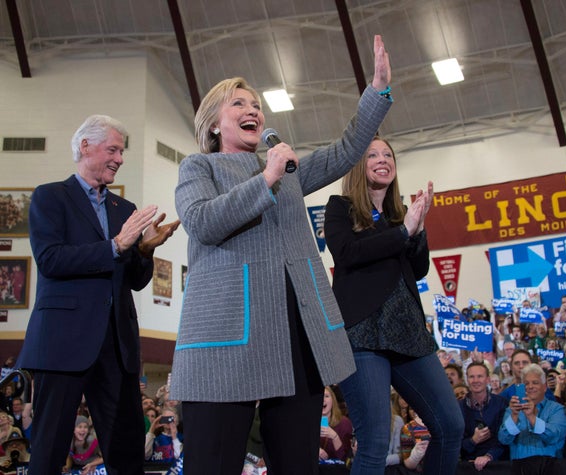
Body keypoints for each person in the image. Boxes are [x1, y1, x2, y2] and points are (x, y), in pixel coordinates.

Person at [170, 35, 392, 475]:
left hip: (295, 331)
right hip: (227, 335)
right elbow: (202, 222)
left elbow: (346, 151)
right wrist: (267, 177)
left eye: (255, 104)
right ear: (213, 124)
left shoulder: (287, 172)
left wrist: (377, 92)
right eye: (238, 104)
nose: (252, 110)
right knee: (212, 462)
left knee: (295, 462)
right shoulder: (199, 168)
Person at [16, 114, 180, 475]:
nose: (120, 158)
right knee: (48, 450)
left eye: (122, 152)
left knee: (126, 453)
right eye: (113, 149)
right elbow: (49, 260)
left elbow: (135, 281)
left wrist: (144, 250)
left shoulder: (126, 210)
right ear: (85, 146)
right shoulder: (50, 196)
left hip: (117, 347)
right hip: (62, 344)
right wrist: (116, 245)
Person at [323, 134, 463, 475]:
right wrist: (402, 233)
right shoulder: (340, 208)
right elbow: (347, 253)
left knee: (450, 424)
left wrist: (417, 230)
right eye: (373, 154)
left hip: (408, 334)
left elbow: (417, 269)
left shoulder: (401, 215)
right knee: (372, 440)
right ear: (359, 165)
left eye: (388, 154)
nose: (383, 159)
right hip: (363, 334)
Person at [498, 364, 566, 462]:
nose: (530, 387)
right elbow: (504, 439)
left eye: (535, 383)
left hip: (550, 469)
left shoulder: (557, 409)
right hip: (520, 469)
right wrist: (514, 416)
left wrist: (531, 417)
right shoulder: (512, 410)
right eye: (526, 383)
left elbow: (554, 436)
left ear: (544, 387)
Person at [458, 362, 507, 471]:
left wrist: (489, 456)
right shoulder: (458, 408)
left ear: (488, 379)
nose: (476, 380)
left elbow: (505, 438)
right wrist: (473, 441)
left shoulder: (501, 403)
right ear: (467, 379)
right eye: (472, 377)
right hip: (469, 466)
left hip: (498, 465)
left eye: (480, 376)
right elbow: (455, 444)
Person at [319, 386, 353, 463]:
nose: (323, 399)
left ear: (332, 400)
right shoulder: (309, 423)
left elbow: (346, 460)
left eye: (326, 396)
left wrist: (335, 437)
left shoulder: (344, 423)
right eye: (320, 396)